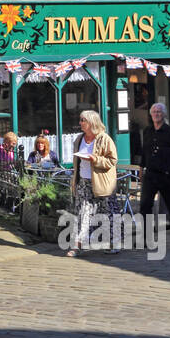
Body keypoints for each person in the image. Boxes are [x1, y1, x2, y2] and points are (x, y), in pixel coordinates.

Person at [66, 110, 120, 256]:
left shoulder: (104, 139)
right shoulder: (79, 139)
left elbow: (112, 160)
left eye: (82, 120)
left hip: (102, 183)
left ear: (91, 122)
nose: (80, 123)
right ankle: (77, 246)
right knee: (82, 213)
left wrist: (94, 159)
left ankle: (114, 243)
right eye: (80, 120)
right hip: (83, 182)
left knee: (109, 212)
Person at [138, 101, 170, 247]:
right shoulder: (147, 131)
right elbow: (144, 152)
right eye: (154, 112)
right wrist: (141, 168)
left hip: (167, 175)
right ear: (150, 115)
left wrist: (165, 153)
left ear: (164, 114)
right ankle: (146, 237)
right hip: (151, 174)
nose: (156, 114)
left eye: (159, 112)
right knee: (145, 205)